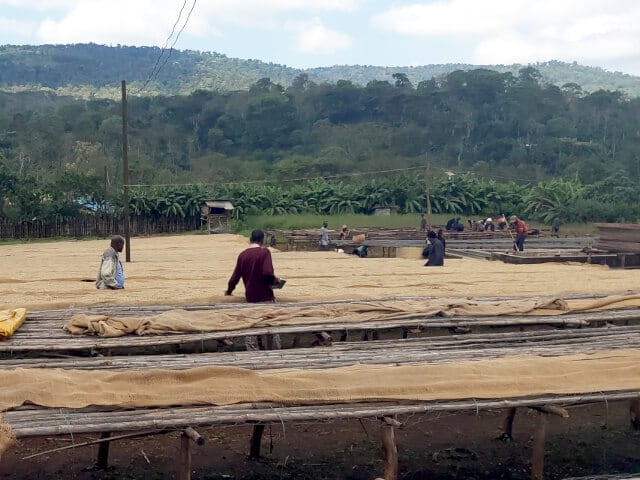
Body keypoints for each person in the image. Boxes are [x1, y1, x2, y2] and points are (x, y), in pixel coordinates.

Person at [225, 229, 282, 351]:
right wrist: (275, 281)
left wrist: (229, 292)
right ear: (262, 241)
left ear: (250, 240)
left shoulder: (243, 255)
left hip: (251, 298)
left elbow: (235, 278)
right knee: (271, 325)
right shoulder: (264, 252)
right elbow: (267, 272)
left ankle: (253, 354)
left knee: (252, 327)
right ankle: (276, 352)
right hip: (266, 296)